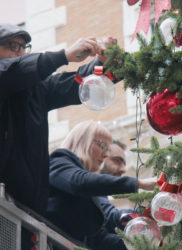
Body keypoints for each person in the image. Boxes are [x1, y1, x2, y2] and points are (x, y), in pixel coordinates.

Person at [0, 23, 117, 216]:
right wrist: (64, 55)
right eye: (13, 46)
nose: (20, 53)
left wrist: (104, 62)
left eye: (23, 47)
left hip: (25, 210)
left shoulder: (35, 89)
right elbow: (13, 71)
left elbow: (73, 84)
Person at [46, 121, 157, 250]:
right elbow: (81, 182)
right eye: (102, 146)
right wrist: (139, 184)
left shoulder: (91, 191)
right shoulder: (59, 160)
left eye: (108, 151)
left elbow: (99, 239)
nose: (105, 155)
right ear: (84, 141)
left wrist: (144, 241)